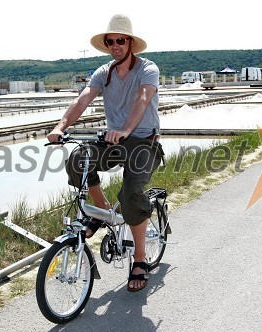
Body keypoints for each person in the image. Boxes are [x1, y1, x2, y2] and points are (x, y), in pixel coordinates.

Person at [47, 14, 163, 292]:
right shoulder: (104, 72)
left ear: (131, 42)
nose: (115, 45)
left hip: (143, 141)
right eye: (110, 41)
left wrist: (124, 129)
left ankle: (139, 258)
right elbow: (84, 97)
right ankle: (102, 212)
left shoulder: (148, 69)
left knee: (131, 193)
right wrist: (60, 126)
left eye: (120, 40)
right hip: (114, 141)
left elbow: (143, 98)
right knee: (78, 160)